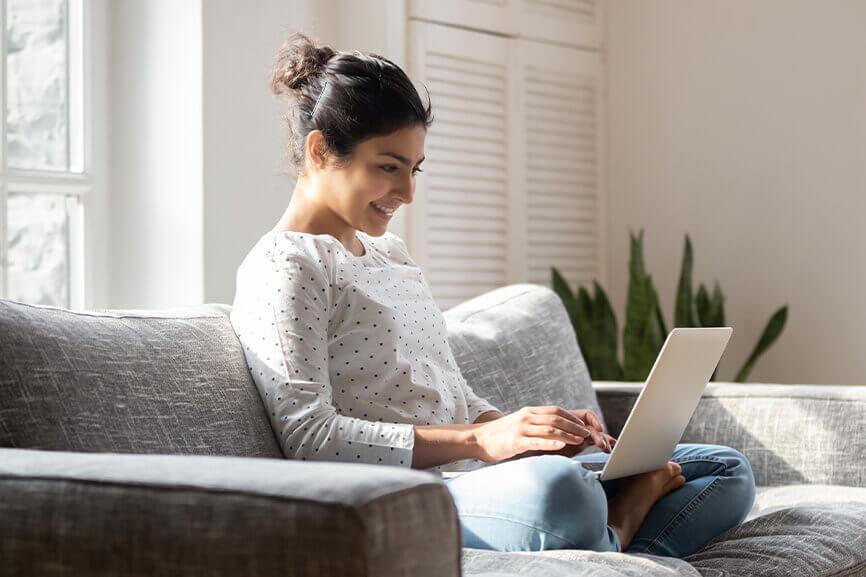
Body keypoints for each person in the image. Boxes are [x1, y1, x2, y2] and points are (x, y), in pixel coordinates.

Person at [229, 31, 756, 558]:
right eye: (389, 166)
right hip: (405, 498)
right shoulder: (286, 266)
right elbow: (311, 438)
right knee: (563, 492)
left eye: (414, 170)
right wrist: (481, 442)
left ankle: (607, 551)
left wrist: (524, 432)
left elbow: (453, 397)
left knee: (725, 469)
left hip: (482, 483)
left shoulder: (391, 256)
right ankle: (620, 525)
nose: (408, 193)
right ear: (320, 151)